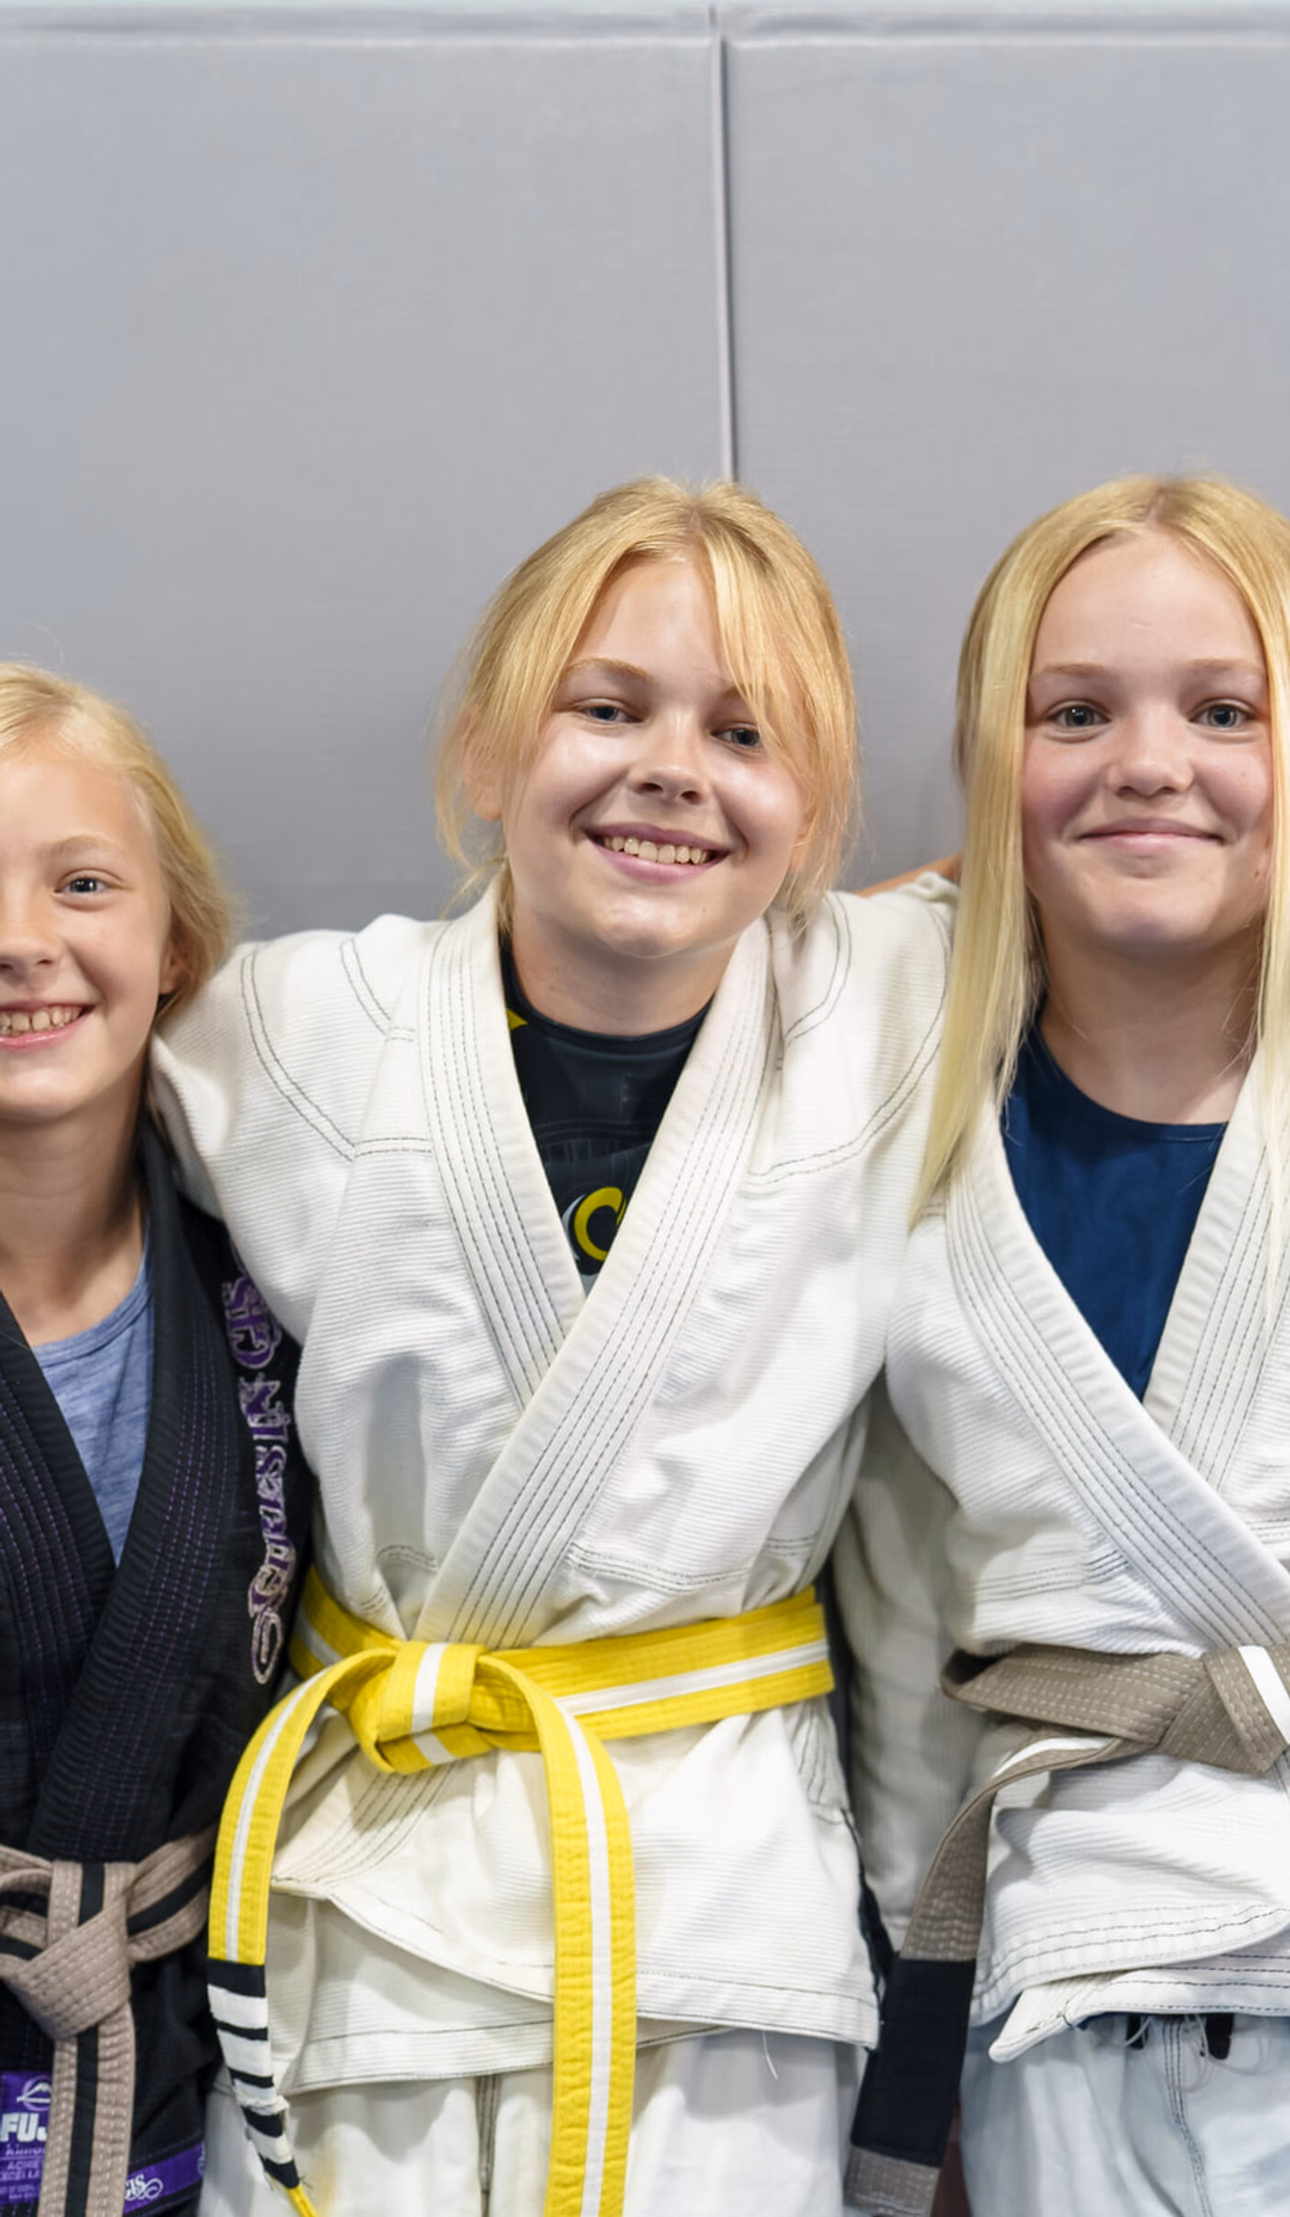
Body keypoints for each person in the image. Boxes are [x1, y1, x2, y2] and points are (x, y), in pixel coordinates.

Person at [151, 476, 956, 2217]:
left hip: (717, 1912)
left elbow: (1134, 911)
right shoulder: (298, 1032)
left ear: (810, 804)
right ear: (487, 748)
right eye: (608, 707)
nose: (671, 766)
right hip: (364, 1902)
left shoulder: (894, 1009)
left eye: (745, 733)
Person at [840, 475, 1290, 2217]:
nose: (1148, 760)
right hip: (1063, 1980)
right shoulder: (891, 1104)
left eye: (1224, 709)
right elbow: (888, 1610)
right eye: (1072, 713)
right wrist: (911, 2010)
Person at [0, 667, 313, 2217]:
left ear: (173, 937)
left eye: (82, 882)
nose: (19, 941)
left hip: (193, 2072)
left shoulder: (275, 1260)